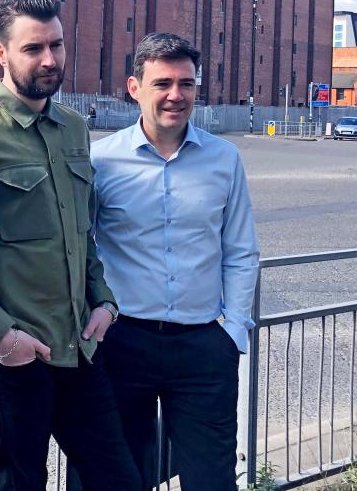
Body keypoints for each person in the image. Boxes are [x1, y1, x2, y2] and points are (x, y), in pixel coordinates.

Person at [0, 0, 139, 491]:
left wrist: (104, 301)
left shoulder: (74, 128)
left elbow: (82, 233)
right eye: (34, 48)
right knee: (21, 482)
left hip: (81, 347)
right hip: (15, 357)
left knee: (116, 477)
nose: (50, 59)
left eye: (57, 44)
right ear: (1, 54)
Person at [91, 32, 259, 491]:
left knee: (211, 479)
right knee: (114, 476)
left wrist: (234, 331)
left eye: (186, 84)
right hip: (122, 342)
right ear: (133, 87)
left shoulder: (224, 159)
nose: (175, 95)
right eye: (163, 83)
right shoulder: (100, 161)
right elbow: (80, 246)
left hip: (203, 347)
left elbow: (241, 250)